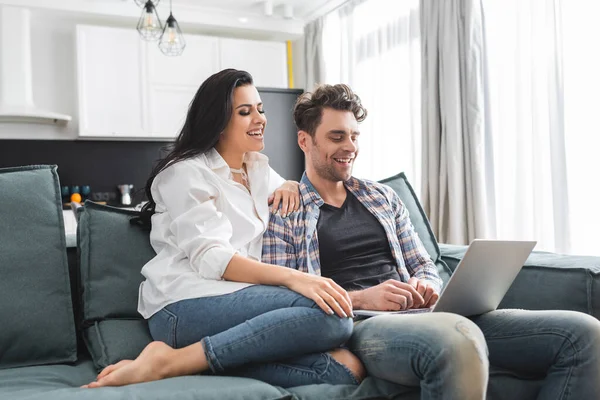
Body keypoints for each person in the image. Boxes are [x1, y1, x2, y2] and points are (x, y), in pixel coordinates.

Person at [262, 83, 600, 399]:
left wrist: (426, 285)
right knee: (451, 344)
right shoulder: (286, 210)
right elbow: (287, 303)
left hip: (430, 313)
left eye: (354, 136)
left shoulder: (383, 198)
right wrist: (365, 298)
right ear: (305, 141)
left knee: (584, 334)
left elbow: (423, 263)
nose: (350, 147)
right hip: (362, 327)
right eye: (337, 137)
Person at [83, 69, 365, 389]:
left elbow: (286, 190)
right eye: (245, 112)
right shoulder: (185, 173)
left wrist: (289, 184)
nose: (259, 118)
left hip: (237, 302)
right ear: (217, 123)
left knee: (346, 370)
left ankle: (186, 361)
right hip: (183, 305)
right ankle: (172, 361)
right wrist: (296, 279)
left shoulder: (257, 168)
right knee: (336, 318)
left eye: (260, 109)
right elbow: (213, 258)